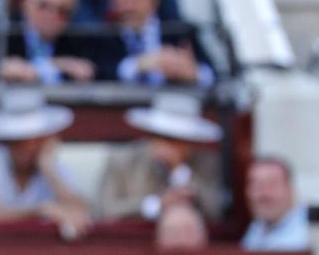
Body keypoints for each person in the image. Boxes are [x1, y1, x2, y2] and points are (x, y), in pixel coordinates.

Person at [0, 88, 91, 239]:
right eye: (18, 141)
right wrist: (40, 211)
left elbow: (81, 213)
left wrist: (49, 170)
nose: (27, 147)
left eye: (34, 140)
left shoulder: (52, 166)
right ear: (6, 140)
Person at [96, 91, 226, 226]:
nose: (171, 146)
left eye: (181, 140)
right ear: (152, 136)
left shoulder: (207, 163)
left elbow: (217, 211)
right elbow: (106, 210)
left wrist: (179, 168)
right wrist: (157, 204)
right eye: (165, 137)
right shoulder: (123, 161)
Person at [0, 0, 105, 86]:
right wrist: (61, 65)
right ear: (25, 3)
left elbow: (90, 71)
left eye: (62, 11)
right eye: (43, 5)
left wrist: (39, 68)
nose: (51, 15)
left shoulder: (76, 38)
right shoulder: (3, 31)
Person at [107, 0, 210, 89]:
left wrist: (193, 73)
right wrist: (138, 65)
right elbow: (101, 72)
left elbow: (213, 74)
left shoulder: (178, 31)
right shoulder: (102, 36)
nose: (128, 6)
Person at [240, 155, 309, 251]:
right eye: (256, 186)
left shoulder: (309, 232)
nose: (264, 194)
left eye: (272, 184)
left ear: (290, 190)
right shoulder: (257, 227)